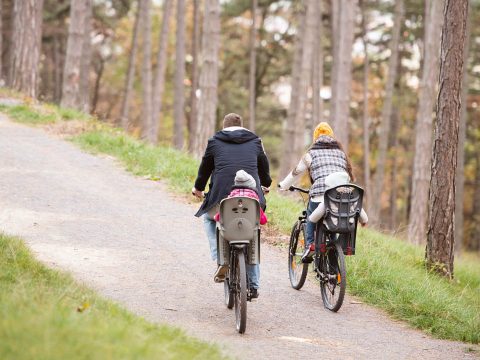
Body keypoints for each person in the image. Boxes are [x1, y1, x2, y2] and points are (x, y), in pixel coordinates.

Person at [192, 113, 272, 298]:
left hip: (221, 199)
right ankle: (253, 285)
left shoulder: (214, 141)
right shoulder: (256, 142)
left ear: (224, 126)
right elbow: (264, 168)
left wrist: (198, 188)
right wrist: (265, 185)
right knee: (252, 232)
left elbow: (204, 169)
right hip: (252, 199)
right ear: (242, 126)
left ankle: (220, 258)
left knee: (209, 219)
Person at [278, 122, 354, 262]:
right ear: (332, 137)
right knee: (333, 224)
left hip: (320, 196)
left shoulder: (311, 154)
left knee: (311, 216)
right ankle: (332, 267)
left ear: (315, 138)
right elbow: (349, 176)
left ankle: (310, 245)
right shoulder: (341, 154)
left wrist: (283, 185)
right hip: (340, 198)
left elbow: (296, 172)